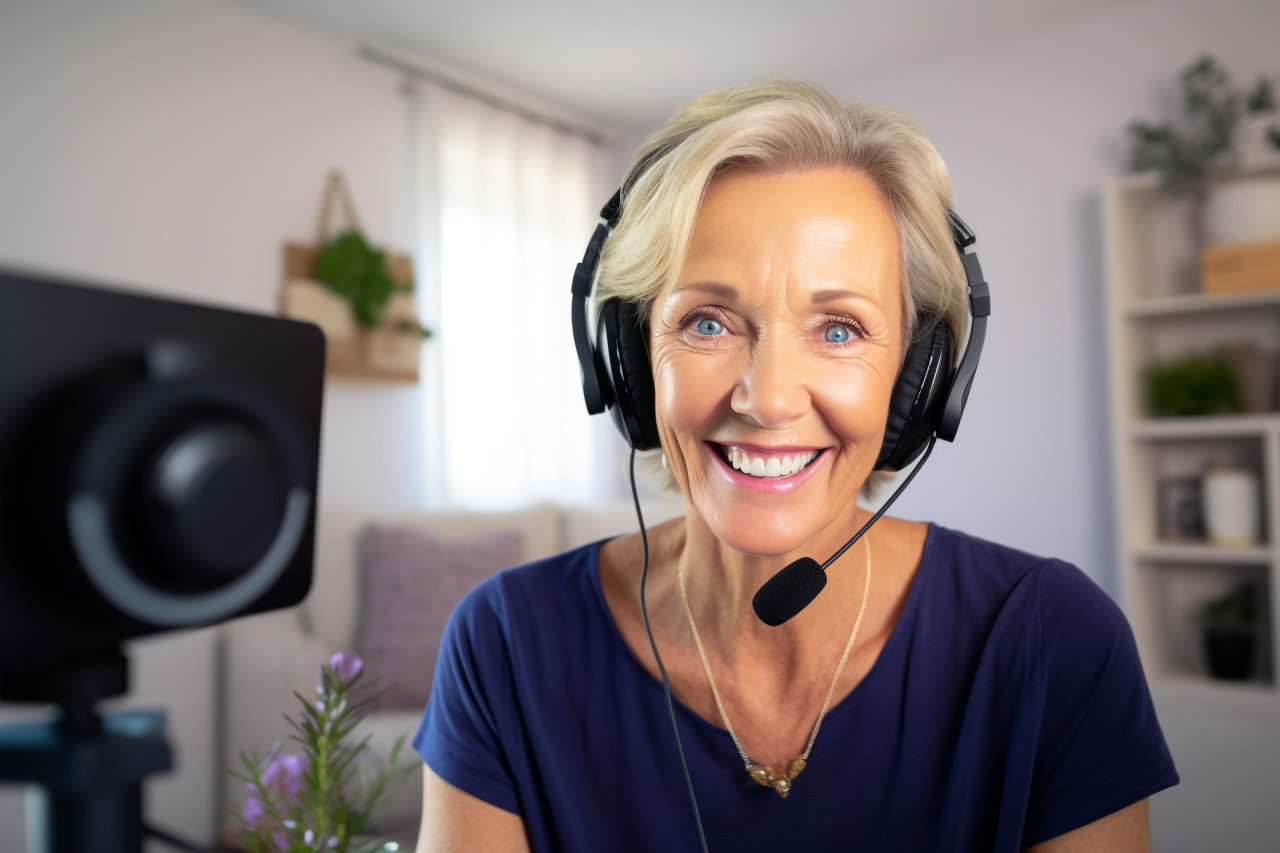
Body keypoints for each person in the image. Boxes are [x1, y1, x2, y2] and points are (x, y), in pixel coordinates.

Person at [412, 79, 1178, 852]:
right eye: (707, 321)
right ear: (631, 361)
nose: (768, 398)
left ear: (919, 379)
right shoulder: (505, 643)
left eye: (839, 329)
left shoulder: (1053, 640)